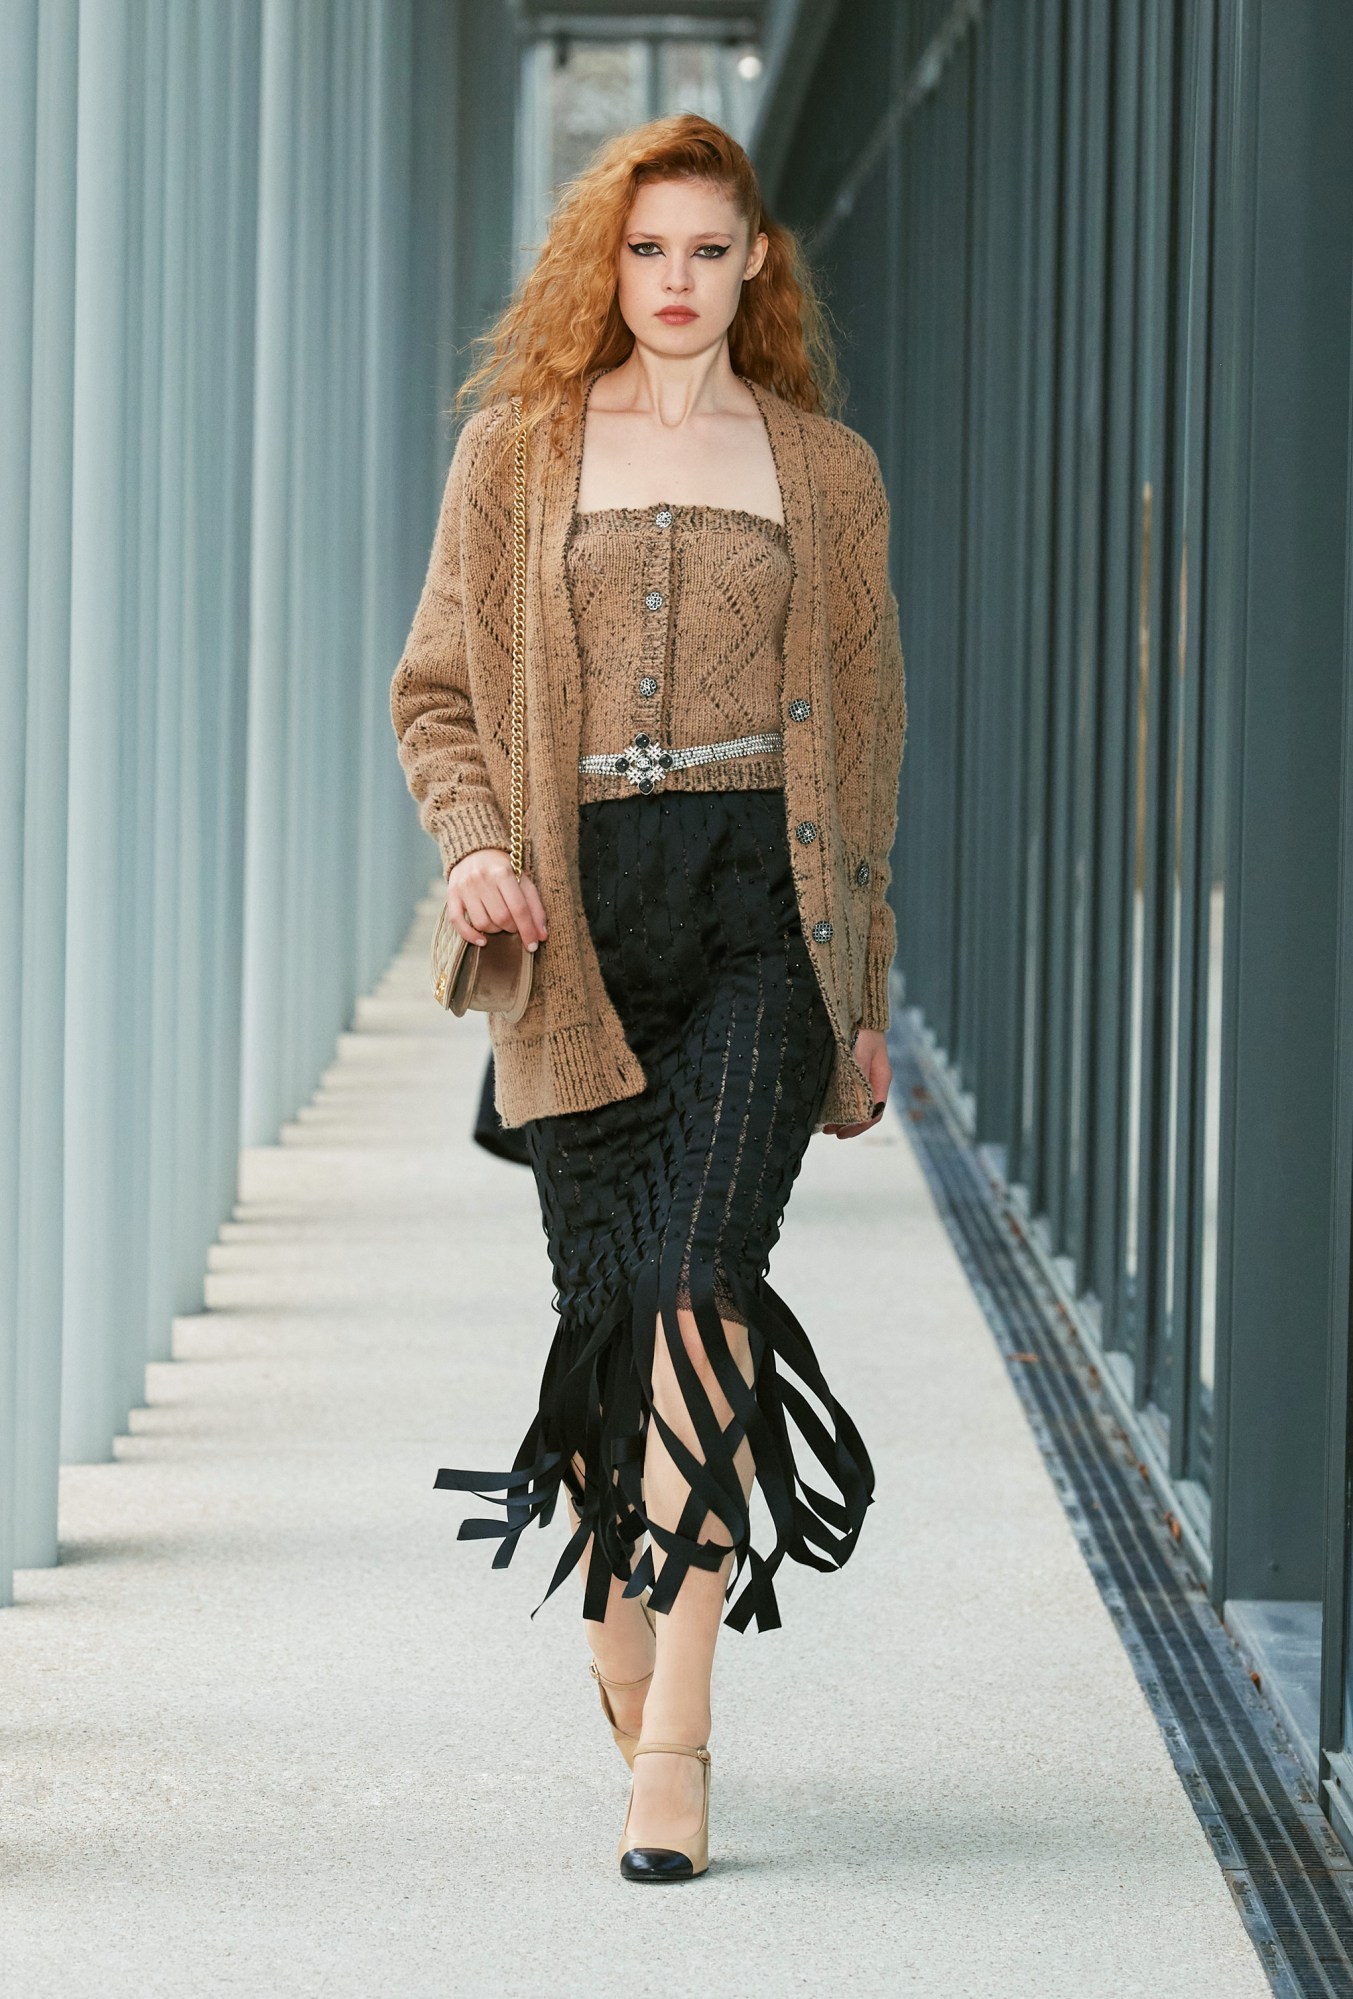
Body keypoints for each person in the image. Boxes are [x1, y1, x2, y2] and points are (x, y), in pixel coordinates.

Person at [389, 112, 907, 1883]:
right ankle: (624, 1637)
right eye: (644, 251)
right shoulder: (515, 454)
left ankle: (672, 1735)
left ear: (756, 261)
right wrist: (472, 848)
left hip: (762, 914)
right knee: (614, 1326)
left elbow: (873, 736)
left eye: (707, 249)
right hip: (577, 928)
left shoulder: (824, 472)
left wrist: (859, 984)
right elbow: (437, 694)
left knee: (697, 1292)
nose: (674, 282)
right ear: (599, 266)